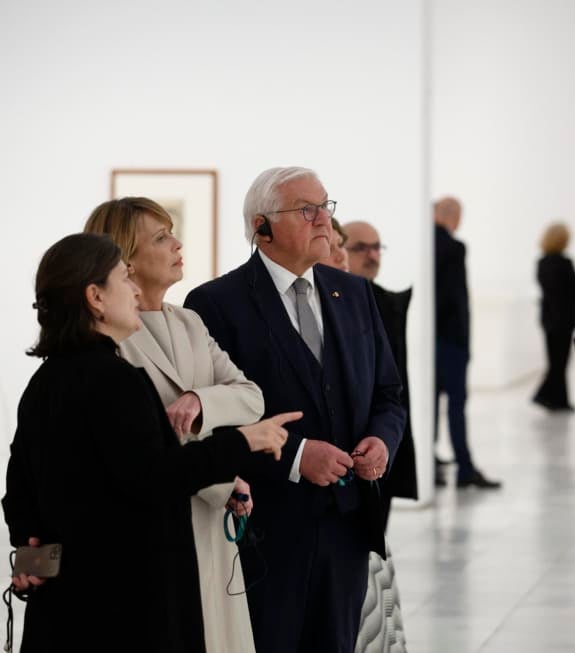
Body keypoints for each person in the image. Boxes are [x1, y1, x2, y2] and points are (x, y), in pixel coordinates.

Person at [1, 233, 292, 652]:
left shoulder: (45, 381)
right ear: (95, 297)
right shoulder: (114, 380)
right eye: (125, 278)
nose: (136, 290)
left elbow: (20, 492)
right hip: (124, 605)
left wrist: (32, 557)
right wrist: (244, 440)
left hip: (67, 607)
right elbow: (156, 477)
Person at [184, 166, 405, 653]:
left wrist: (382, 440)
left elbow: (388, 392)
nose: (323, 219)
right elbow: (213, 421)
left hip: (348, 526)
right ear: (262, 227)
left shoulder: (354, 294)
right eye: (307, 210)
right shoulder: (215, 303)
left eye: (325, 206)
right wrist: (297, 456)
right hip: (267, 528)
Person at [83, 197, 264, 651]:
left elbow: (251, 397)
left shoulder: (189, 322)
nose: (177, 244)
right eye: (162, 238)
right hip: (153, 524)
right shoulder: (106, 340)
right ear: (125, 258)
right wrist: (222, 482)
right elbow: (140, 445)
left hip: (210, 521)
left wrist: (200, 400)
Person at [343, 220, 418, 524]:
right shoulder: (334, 306)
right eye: (361, 248)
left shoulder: (387, 304)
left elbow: (393, 387)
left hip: (381, 441)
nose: (372, 255)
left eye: (376, 247)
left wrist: (387, 438)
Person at [433, 197, 500, 489]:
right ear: (452, 215)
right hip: (451, 339)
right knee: (456, 404)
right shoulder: (454, 247)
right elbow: (455, 299)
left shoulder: (425, 246)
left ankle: (431, 463)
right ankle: (465, 467)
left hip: (431, 339)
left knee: (431, 403)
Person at [532, 222, 575, 412]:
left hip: (548, 319)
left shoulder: (542, 263)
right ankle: (544, 395)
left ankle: (559, 400)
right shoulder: (564, 263)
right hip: (563, 320)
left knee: (556, 362)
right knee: (560, 362)